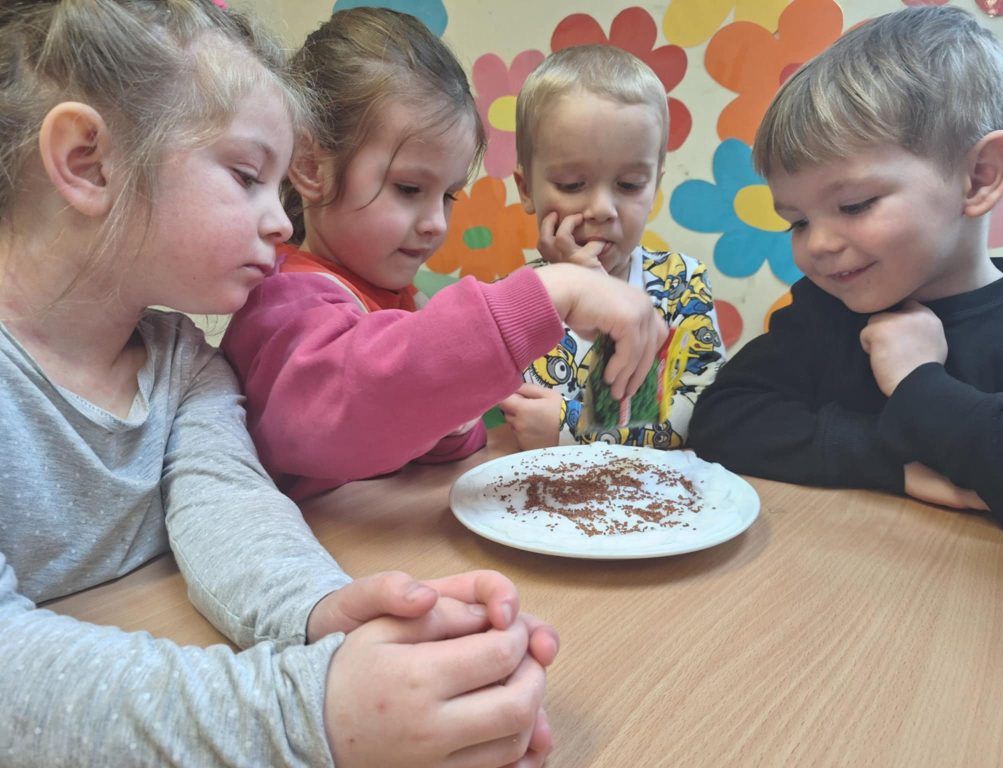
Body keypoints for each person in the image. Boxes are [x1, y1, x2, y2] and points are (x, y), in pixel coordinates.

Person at [0, 2, 562, 765]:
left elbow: (228, 508)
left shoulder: (185, 365)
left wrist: (323, 616)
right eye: (245, 176)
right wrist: (309, 713)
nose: (283, 224)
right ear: (87, 162)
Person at [221, 9, 668, 500]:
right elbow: (353, 409)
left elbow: (410, 438)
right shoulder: (283, 301)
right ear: (311, 166)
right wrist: (552, 291)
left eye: (448, 195)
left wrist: (453, 424)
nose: (436, 222)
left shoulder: (397, 299)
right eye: (409, 188)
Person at [687, 6, 1003, 535]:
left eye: (855, 205)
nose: (818, 245)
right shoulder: (824, 310)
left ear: (979, 176)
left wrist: (917, 381)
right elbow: (721, 419)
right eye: (797, 222)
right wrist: (888, 463)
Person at [500, 45, 725, 452]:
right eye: (572, 184)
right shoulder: (511, 298)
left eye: (629, 185)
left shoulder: (681, 284)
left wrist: (573, 426)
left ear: (654, 187)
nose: (603, 208)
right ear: (526, 188)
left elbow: (701, 414)